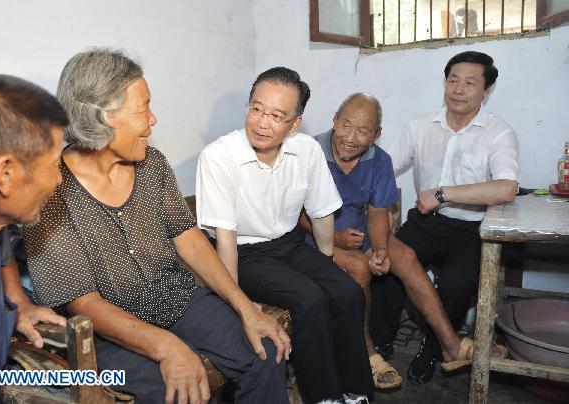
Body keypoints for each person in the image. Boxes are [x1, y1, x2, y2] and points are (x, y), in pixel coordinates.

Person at [23, 48, 291, 404]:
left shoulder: (151, 164)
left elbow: (188, 236)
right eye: (142, 108)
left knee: (267, 348)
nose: (153, 119)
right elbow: (83, 302)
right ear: (103, 117)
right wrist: (167, 348)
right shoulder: (52, 187)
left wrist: (244, 307)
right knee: (172, 389)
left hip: (174, 298)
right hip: (105, 328)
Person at [196, 67, 373, 403]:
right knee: (310, 298)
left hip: (290, 245)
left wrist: (325, 267)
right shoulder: (219, 157)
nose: (262, 122)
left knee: (347, 291)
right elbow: (225, 238)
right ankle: (324, 396)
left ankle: (355, 392)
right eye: (257, 109)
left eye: (277, 116)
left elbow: (321, 213)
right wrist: (237, 305)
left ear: (294, 124)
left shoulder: (305, 150)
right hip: (244, 255)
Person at [370, 50, 518, 383]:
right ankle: (380, 344)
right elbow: (384, 169)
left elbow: (507, 188)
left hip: (469, 229)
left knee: (458, 282)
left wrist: (443, 194)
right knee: (384, 263)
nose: (459, 89)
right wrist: (385, 210)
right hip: (423, 224)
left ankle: (434, 346)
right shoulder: (421, 125)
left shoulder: (498, 132)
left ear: (487, 90)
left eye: (470, 82)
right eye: (453, 80)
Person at [0, 74, 68, 403]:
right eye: (54, 166)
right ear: (5, 174)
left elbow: (4, 253)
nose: (58, 181)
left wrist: (19, 303)